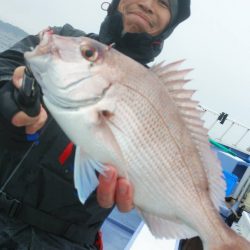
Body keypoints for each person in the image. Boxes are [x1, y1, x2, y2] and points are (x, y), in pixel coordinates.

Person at [0, 0, 191, 249]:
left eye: (163, 2)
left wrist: (152, 192)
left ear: (170, 24)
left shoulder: (161, 98)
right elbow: (6, 67)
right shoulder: (59, 38)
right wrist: (7, 100)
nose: (146, 4)